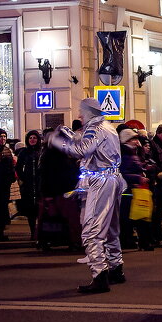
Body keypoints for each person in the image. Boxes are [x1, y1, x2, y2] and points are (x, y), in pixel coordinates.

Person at [50, 98, 127, 293]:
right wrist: (69, 133)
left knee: (91, 231)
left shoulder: (96, 127)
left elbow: (82, 150)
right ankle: (116, 269)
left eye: (81, 112)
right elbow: (88, 143)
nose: (79, 116)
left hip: (101, 181)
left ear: (89, 112)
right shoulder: (107, 126)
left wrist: (56, 141)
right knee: (110, 228)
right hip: (114, 179)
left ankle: (99, 276)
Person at [119, 129, 153, 251]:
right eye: (134, 139)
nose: (137, 141)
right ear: (128, 140)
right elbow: (122, 173)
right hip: (130, 190)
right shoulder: (126, 154)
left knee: (137, 216)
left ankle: (140, 242)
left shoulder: (132, 153)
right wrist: (139, 178)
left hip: (135, 190)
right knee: (135, 217)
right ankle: (139, 242)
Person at [15, 130, 42, 240]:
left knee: (40, 209)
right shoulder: (24, 152)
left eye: (34, 138)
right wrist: (22, 178)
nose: (32, 140)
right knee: (31, 210)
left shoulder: (41, 151)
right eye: (30, 138)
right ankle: (32, 232)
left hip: (40, 184)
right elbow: (18, 167)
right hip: (28, 184)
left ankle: (40, 232)